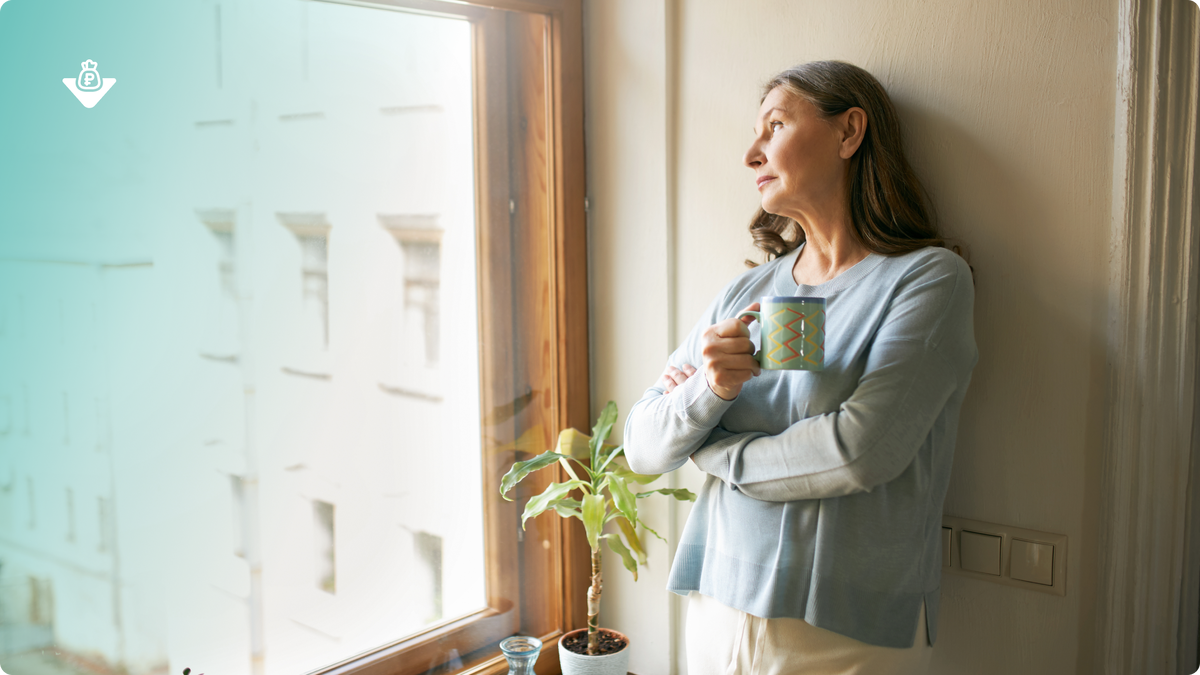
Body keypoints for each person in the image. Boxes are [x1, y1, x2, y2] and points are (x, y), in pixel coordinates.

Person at [623, 61, 978, 675]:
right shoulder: (747, 292)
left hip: (846, 629)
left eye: (776, 125)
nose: (751, 153)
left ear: (849, 132)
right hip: (714, 605)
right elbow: (643, 447)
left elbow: (859, 451)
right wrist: (709, 391)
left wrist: (715, 454)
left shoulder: (928, 280)